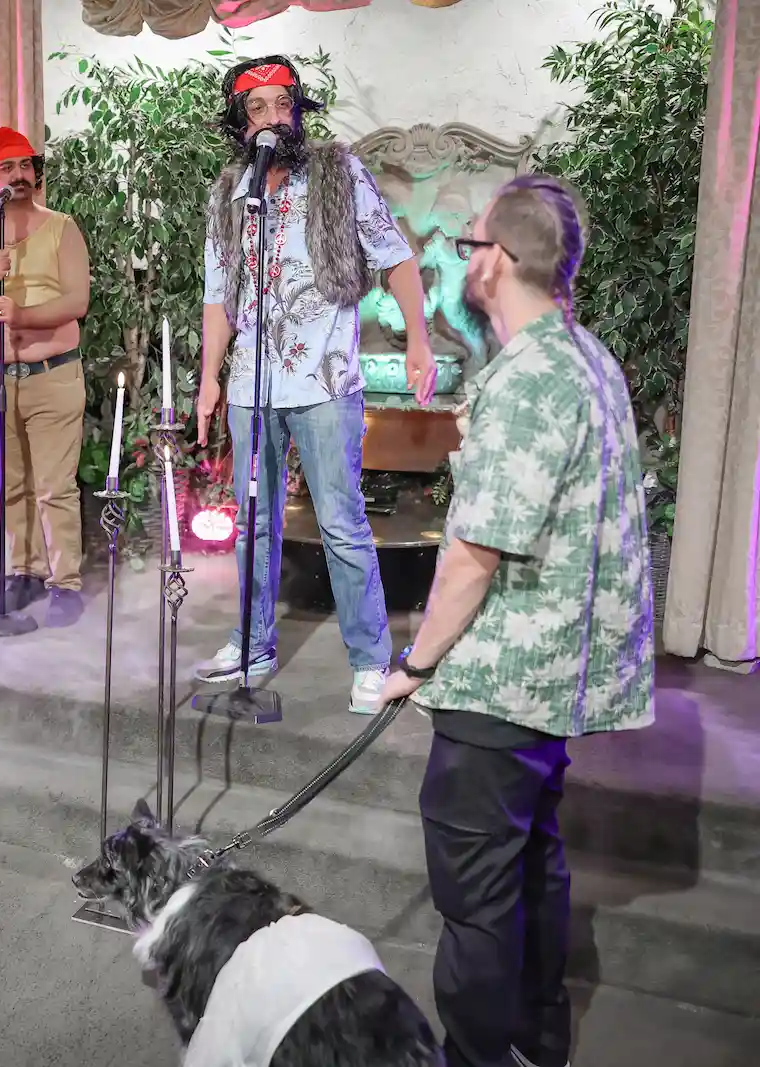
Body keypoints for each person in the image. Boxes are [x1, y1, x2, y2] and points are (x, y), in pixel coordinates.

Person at [376, 174, 655, 1067]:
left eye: (468, 244)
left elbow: (474, 554)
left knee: (477, 903)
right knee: (533, 865)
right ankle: (538, 1038)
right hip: (549, 685)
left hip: (500, 686)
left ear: (494, 263)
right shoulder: (586, 356)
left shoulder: (531, 379)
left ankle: (477, 1054)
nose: (463, 260)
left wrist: (415, 663)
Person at [192, 56, 437, 713]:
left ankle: (371, 659)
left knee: (342, 522)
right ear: (241, 122)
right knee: (253, 523)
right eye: (258, 108)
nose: (273, 117)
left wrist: (418, 338)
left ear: (298, 111)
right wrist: (210, 378)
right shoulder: (229, 192)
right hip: (251, 385)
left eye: (283, 104)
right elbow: (218, 295)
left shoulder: (337, 173)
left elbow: (395, 256)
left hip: (325, 382)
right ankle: (252, 644)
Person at [0, 126, 91, 628]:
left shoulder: (62, 228)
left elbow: (77, 301)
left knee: (55, 487)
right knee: (9, 484)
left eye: (26, 165)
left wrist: (23, 315)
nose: (19, 174)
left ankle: (65, 583)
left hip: (53, 376)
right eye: (6, 167)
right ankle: (25, 571)